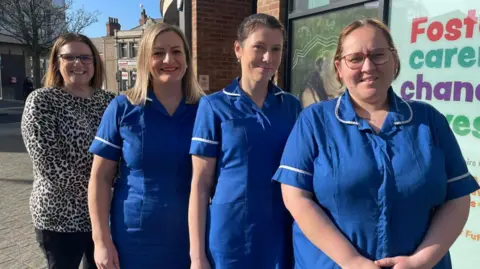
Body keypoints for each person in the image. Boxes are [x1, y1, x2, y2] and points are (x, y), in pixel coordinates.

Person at [273, 18, 479, 269]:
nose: (368, 66)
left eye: (378, 55)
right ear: (339, 67)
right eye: (355, 58)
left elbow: (456, 198)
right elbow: (296, 197)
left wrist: (420, 262)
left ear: (394, 61)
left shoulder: (430, 121)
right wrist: (352, 262)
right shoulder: (314, 121)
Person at [189, 13, 302, 269]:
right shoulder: (213, 106)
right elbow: (200, 185)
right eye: (259, 48)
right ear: (238, 49)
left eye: (276, 49)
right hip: (230, 236)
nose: (268, 58)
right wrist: (197, 256)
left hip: (280, 231)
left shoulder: (292, 107)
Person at [88, 23, 203, 269]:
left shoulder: (206, 110)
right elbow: (100, 179)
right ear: (145, 59)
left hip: (193, 236)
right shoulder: (122, 108)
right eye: (158, 52)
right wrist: (101, 241)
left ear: (187, 57)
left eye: (176, 51)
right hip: (134, 236)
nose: (168, 59)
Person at [21, 33, 115, 269]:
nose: (78, 63)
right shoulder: (42, 101)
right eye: (69, 57)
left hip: (104, 217)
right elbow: (51, 166)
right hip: (60, 217)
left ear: (95, 62)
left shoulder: (110, 102)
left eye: (85, 57)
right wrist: (102, 188)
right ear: (56, 62)